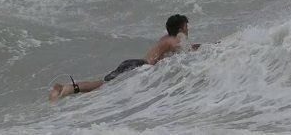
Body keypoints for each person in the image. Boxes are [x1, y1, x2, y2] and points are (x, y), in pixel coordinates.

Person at [48, 14, 200, 101]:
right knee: (103, 86)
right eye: (186, 26)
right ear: (181, 28)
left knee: (103, 83)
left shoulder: (166, 38)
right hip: (139, 67)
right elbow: (186, 51)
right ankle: (66, 88)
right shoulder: (176, 40)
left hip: (134, 63)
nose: (188, 29)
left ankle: (66, 88)